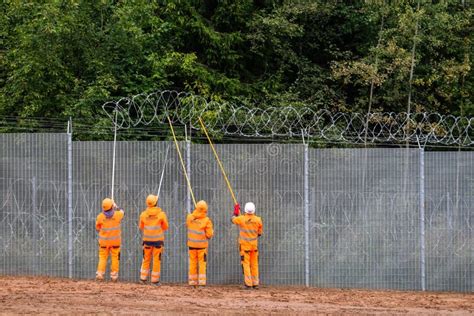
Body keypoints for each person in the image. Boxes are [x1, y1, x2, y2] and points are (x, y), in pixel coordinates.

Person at [139, 194, 169, 285]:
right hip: (158, 242)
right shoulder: (161, 214)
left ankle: (143, 278)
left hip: (147, 241)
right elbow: (165, 227)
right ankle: (154, 281)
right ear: (156, 203)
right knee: (156, 260)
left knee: (146, 259)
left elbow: (141, 227)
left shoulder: (143, 214)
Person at [232, 202, 263, 289]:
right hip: (254, 246)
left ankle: (248, 284)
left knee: (246, 265)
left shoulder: (241, 219)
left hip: (245, 247)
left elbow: (233, 219)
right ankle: (255, 283)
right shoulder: (258, 220)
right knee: (254, 265)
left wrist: (236, 211)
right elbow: (259, 233)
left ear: (245, 210)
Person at [95, 198, 124, 282]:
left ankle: (100, 275)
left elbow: (97, 228)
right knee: (115, 258)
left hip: (104, 242)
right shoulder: (118, 215)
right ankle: (114, 276)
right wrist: (116, 206)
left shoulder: (100, 217)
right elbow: (123, 212)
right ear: (112, 206)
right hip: (115, 243)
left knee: (102, 258)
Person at [186, 200, 213, 286]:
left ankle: (192, 282)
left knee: (192, 263)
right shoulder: (207, 221)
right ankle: (202, 283)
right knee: (202, 264)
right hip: (202, 246)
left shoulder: (190, 217)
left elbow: (188, 224)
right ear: (205, 209)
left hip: (192, 246)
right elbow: (209, 235)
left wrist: (195, 216)